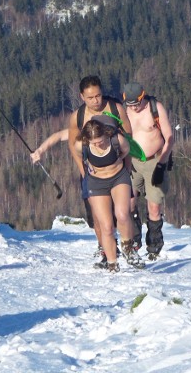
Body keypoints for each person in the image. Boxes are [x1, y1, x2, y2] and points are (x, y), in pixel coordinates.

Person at [68, 75, 132, 258]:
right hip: (92, 173)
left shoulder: (115, 108)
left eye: (98, 95)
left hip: (117, 169)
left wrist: (127, 166)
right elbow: (73, 145)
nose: (96, 101)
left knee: (124, 211)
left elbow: (128, 138)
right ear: (82, 96)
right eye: (90, 97)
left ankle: (130, 244)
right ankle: (105, 250)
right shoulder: (78, 117)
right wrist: (83, 171)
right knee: (98, 216)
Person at [75, 118, 144, 271]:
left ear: (106, 134)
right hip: (96, 183)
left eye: (100, 141)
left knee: (122, 214)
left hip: (118, 177)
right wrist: (85, 171)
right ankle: (112, 263)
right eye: (93, 143)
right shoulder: (82, 145)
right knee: (106, 225)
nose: (98, 145)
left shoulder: (116, 140)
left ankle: (128, 248)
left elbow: (126, 152)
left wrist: (122, 166)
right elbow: (78, 156)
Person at [123, 82, 174, 261]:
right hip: (132, 162)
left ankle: (154, 246)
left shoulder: (154, 108)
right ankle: (134, 242)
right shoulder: (124, 111)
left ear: (142, 96)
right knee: (128, 204)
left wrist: (162, 164)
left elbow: (169, 137)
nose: (134, 108)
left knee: (154, 206)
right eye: (130, 105)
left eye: (136, 104)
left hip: (155, 160)